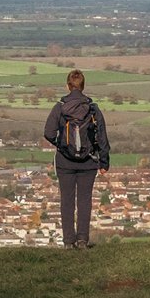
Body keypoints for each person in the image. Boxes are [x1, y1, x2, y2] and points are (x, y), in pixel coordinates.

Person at [43, 69, 109, 248]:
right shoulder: (93, 109)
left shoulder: (60, 107)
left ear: (68, 86)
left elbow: (48, 132)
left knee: (67, 201)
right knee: (84, 201)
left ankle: (68, 241)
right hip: (89, 161)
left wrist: (62, 145)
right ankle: (82, 240)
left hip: (65, 162)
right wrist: (104, 163)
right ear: (83, 86)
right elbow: (102, 136)